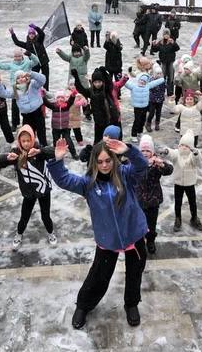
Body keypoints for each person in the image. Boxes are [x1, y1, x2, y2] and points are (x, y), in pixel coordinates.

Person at [47, 137, 148, 328]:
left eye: (108, 160)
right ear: (94, 162)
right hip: (107, 238)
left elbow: (142, 166)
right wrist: (57, 160)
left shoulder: (126, 174)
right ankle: (84, 305)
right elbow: (63, 180)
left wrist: (128, 150)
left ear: (114, 159)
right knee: (99, 275)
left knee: (135, 271)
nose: (104, 165)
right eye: (100, 161)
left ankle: (132, 303)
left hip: (133, 232)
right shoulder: (88, 184)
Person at [0, 125, 57, 249]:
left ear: (33, 139)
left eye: (29, 140)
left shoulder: (38, 149)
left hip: (43, 190)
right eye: (23, 141)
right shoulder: (17, 153)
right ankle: (19, 233)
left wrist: (40, 152)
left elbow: (54, 152)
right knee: (24, 216)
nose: (26, 143)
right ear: (19, 142)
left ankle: (51, 232)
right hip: (28, 192)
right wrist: (6, 158)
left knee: (46, 215)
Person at [135, 134, 173, 254]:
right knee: (137, 224)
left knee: (151, 225)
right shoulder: (135, 162)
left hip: (153, 200)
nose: (145, 153)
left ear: (152, 152)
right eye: (143, 150)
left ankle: (150, 241)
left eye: (148, 150)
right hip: (138, 200)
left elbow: (169, 170)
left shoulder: (156, 163)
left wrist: (161, 164)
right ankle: (138, 241)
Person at [0, 70, 48, 146]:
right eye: (18, 78)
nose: (21, 79)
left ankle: (44, 148)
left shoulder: (33, 84)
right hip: (26, 116)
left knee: (41, 133)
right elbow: (3, 93)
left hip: (38, 113)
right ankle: (29, 150)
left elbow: (43, 80)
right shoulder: (15, 90)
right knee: (28, 134)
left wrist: (32, 74)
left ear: (26, 77)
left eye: (22, 77)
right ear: (16, 81)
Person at [73, 67, 121, 143]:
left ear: (102, 81)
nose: (97, 84)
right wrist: (76, 77)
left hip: (110, 119)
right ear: (92, 82)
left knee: (111, 140)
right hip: (98, 121)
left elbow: (109, 83)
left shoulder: (106, 89)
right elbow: (81, 89)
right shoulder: (91, 91)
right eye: (95, 82)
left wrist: (104, 73)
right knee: (98, 141)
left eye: (99, 82)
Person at [171, 132, 202, 231]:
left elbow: (197, 162)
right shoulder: (177, 153)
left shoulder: (193, 155)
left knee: (192, 201)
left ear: (191, 147)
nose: (184, 147)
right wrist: (166, 152)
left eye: (187, 146)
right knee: (178, 202)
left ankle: (194, 218)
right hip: (178, 183)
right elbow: (171, 153)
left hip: (190, 183)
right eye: (182, 145)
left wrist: (196, 153)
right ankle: (178, 218)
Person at [124, 70, 166, 142]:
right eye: (141, 80)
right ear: (138, 80)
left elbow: (155, 82)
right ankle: (133, 135)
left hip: (145, 106)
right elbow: (126, 83)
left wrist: (162, 79)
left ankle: (140, 132)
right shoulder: (134, 86)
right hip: (137, 107)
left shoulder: (147, 86)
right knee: (137, 121)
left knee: (143, 120)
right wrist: (122, 78)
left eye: (144, 81)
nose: (142, 82)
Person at [151, 30, 180, 96]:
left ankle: (170, 91)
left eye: (167, 34)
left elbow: (177, 48)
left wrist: (174, 43)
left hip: (170, 61)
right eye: (165, 34)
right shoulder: (160, 42)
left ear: (169, 35)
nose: (166, 35)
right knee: (162, 76)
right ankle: (162, 90)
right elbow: (155, 50)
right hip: (163, 61)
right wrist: (153, 45)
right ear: (163, 35)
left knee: (171, 76)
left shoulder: (171, 41)